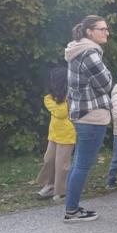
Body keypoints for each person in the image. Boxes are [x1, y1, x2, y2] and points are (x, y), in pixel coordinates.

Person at [63, 15, 114, 222]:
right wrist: (109, 77)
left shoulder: (76, 50)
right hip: (92, 115)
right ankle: (72, 210)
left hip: (80, 113)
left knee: (78, 164)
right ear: (89, 32)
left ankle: (71, 207)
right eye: (102, 29)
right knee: (82, 165)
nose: (106, 32)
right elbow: (106, 84)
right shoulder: (90, 53)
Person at [35, 67, 75, 201]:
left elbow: (61, 113)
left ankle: (61, 191)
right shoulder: (50, 96)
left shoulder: (70, 94)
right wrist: (55, 106)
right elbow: (60, 110)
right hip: (54, 133)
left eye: (54, 79)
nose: (51, 82)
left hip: (68, 134)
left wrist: (54, 106)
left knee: (62, 164)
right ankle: (50, 186)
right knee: (49, 160)